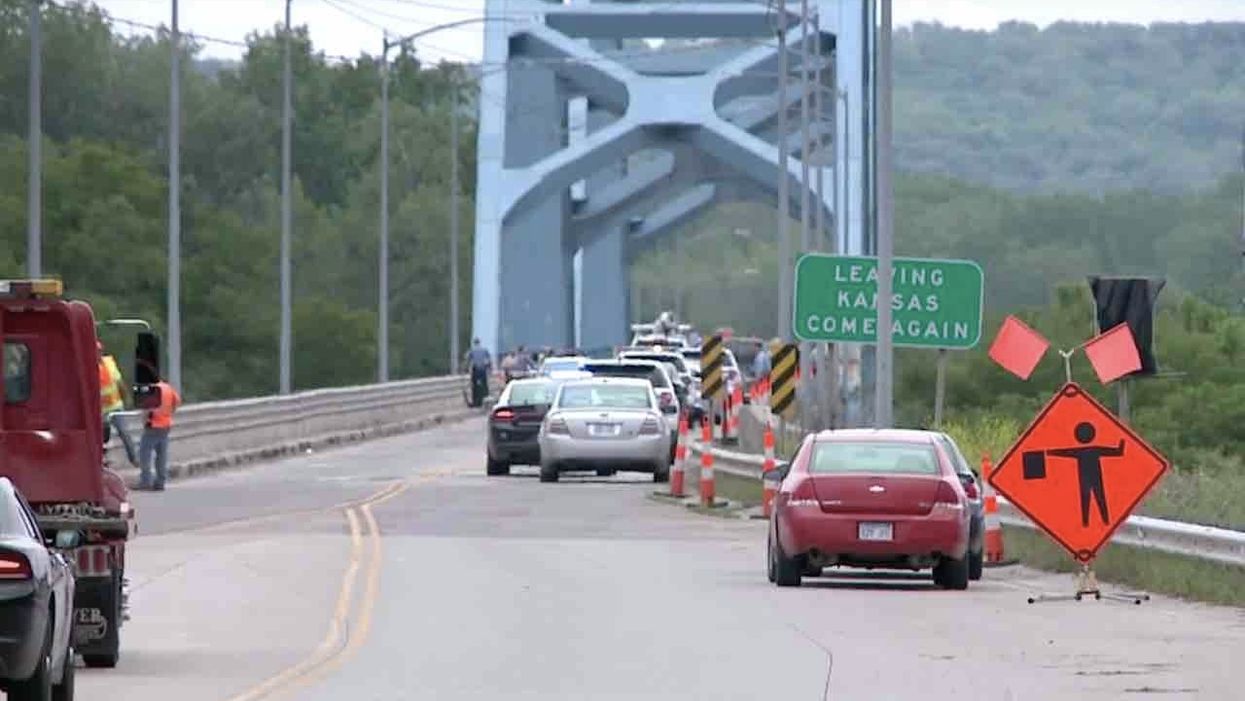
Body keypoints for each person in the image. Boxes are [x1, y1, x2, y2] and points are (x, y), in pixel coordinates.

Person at [139, 376, 181, 491]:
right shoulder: (168, 388)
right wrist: (169, 414)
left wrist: (144, 422)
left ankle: (146, 481)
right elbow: (177, 402)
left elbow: (147, 409)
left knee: (145, 454)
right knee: (162, 455)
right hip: (166, 426)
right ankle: (160, 482)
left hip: (153, 425)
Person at [465, 338, 492, 407]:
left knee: (475, 386)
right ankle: (485, 399)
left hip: (476, 370)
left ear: (474, 343)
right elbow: (489, 359)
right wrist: (489, 368)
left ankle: (476, 401)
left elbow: (467, 359)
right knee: (484, 385)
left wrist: (466, 368)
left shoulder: (471, 350)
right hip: (483, 370)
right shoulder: (484, 350)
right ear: (479, 343)